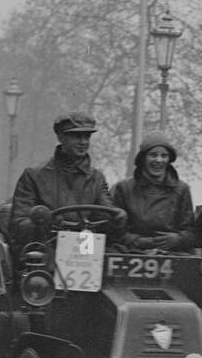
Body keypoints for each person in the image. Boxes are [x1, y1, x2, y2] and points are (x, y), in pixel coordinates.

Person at [7, 112, 121, 261]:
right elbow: (19, 223)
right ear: (61, 138)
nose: (83, 142)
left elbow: (106, 216)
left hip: (87, 252)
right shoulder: (34, 176)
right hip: (45, 249)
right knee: (36, 281)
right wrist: (43, 222)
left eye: (87, 137)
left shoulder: (96, 179)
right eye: (76, 136)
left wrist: (117, 218)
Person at [111, 132, 198, 253]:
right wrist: (138, 241)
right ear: (143, 158)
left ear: (169, 159)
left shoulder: (182, 189)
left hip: (170, 254)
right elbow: (114, 230)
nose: (158, 160)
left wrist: (178, 239)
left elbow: (191, 232)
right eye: (153, 155)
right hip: (130, 252)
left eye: (164, 156)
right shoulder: (123, 188)